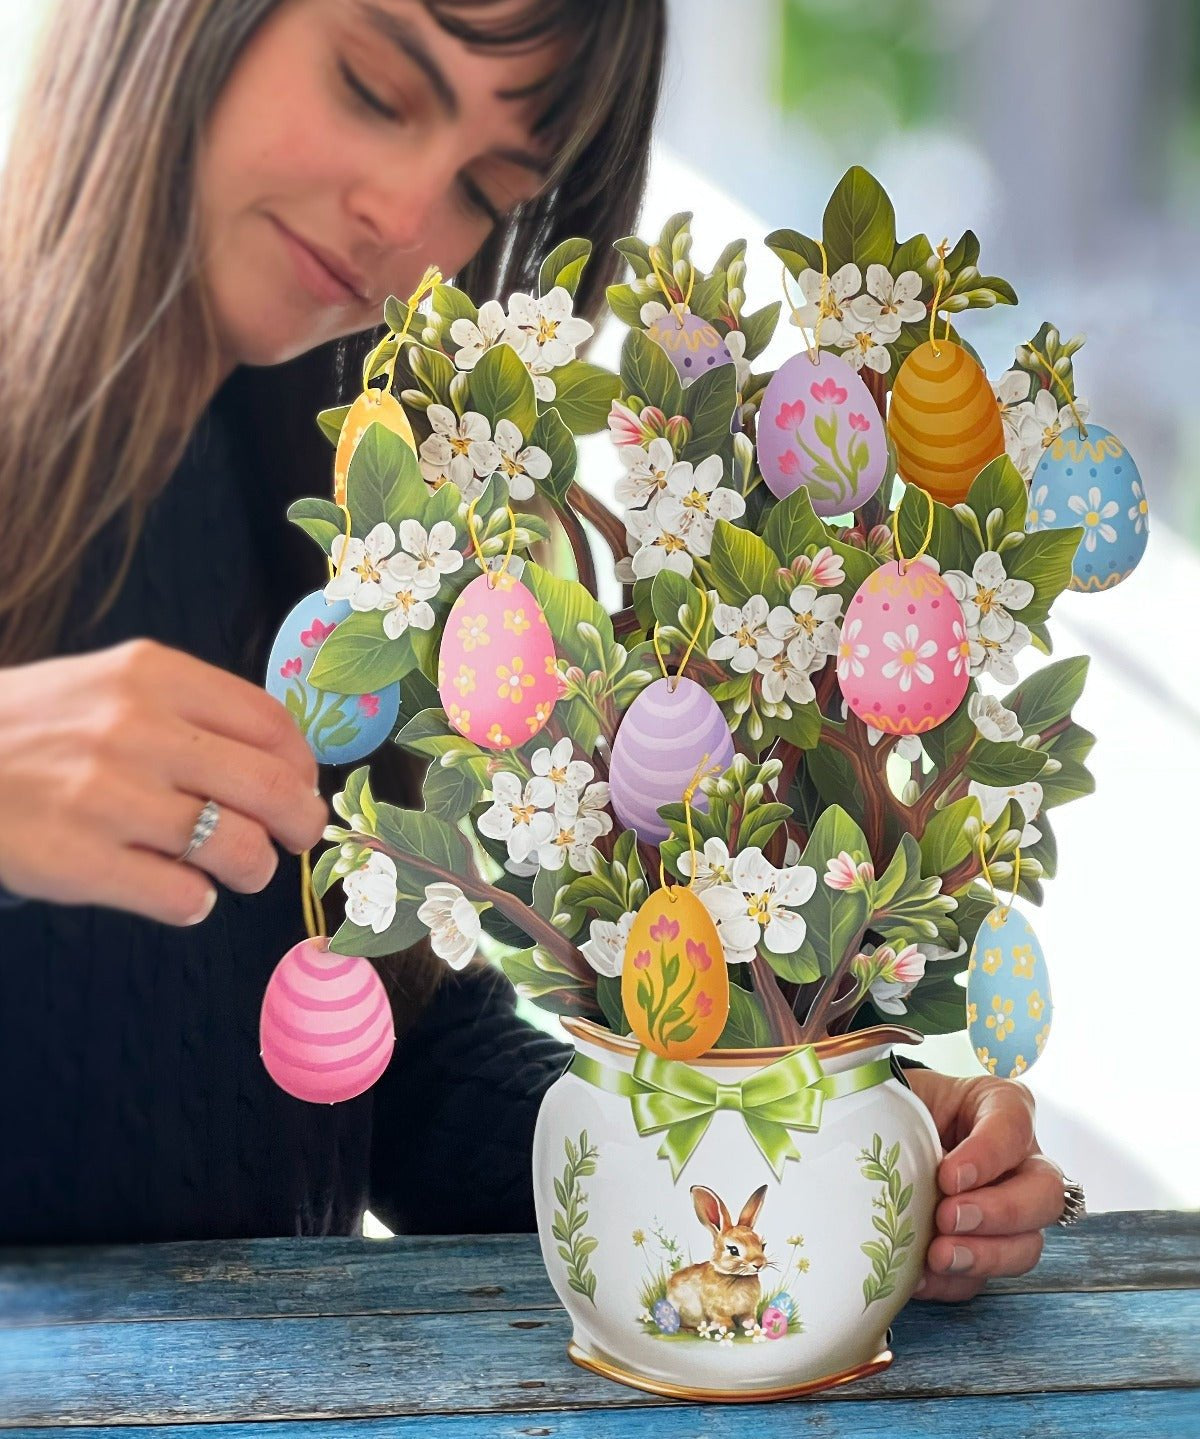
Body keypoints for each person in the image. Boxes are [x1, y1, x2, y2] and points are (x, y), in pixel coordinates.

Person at [0, 0, 1074, 1299]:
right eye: (374, 89)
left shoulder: (317, 512)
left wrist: (820, 1136)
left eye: (486, 188)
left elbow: (382, 1066)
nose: (405, 216)